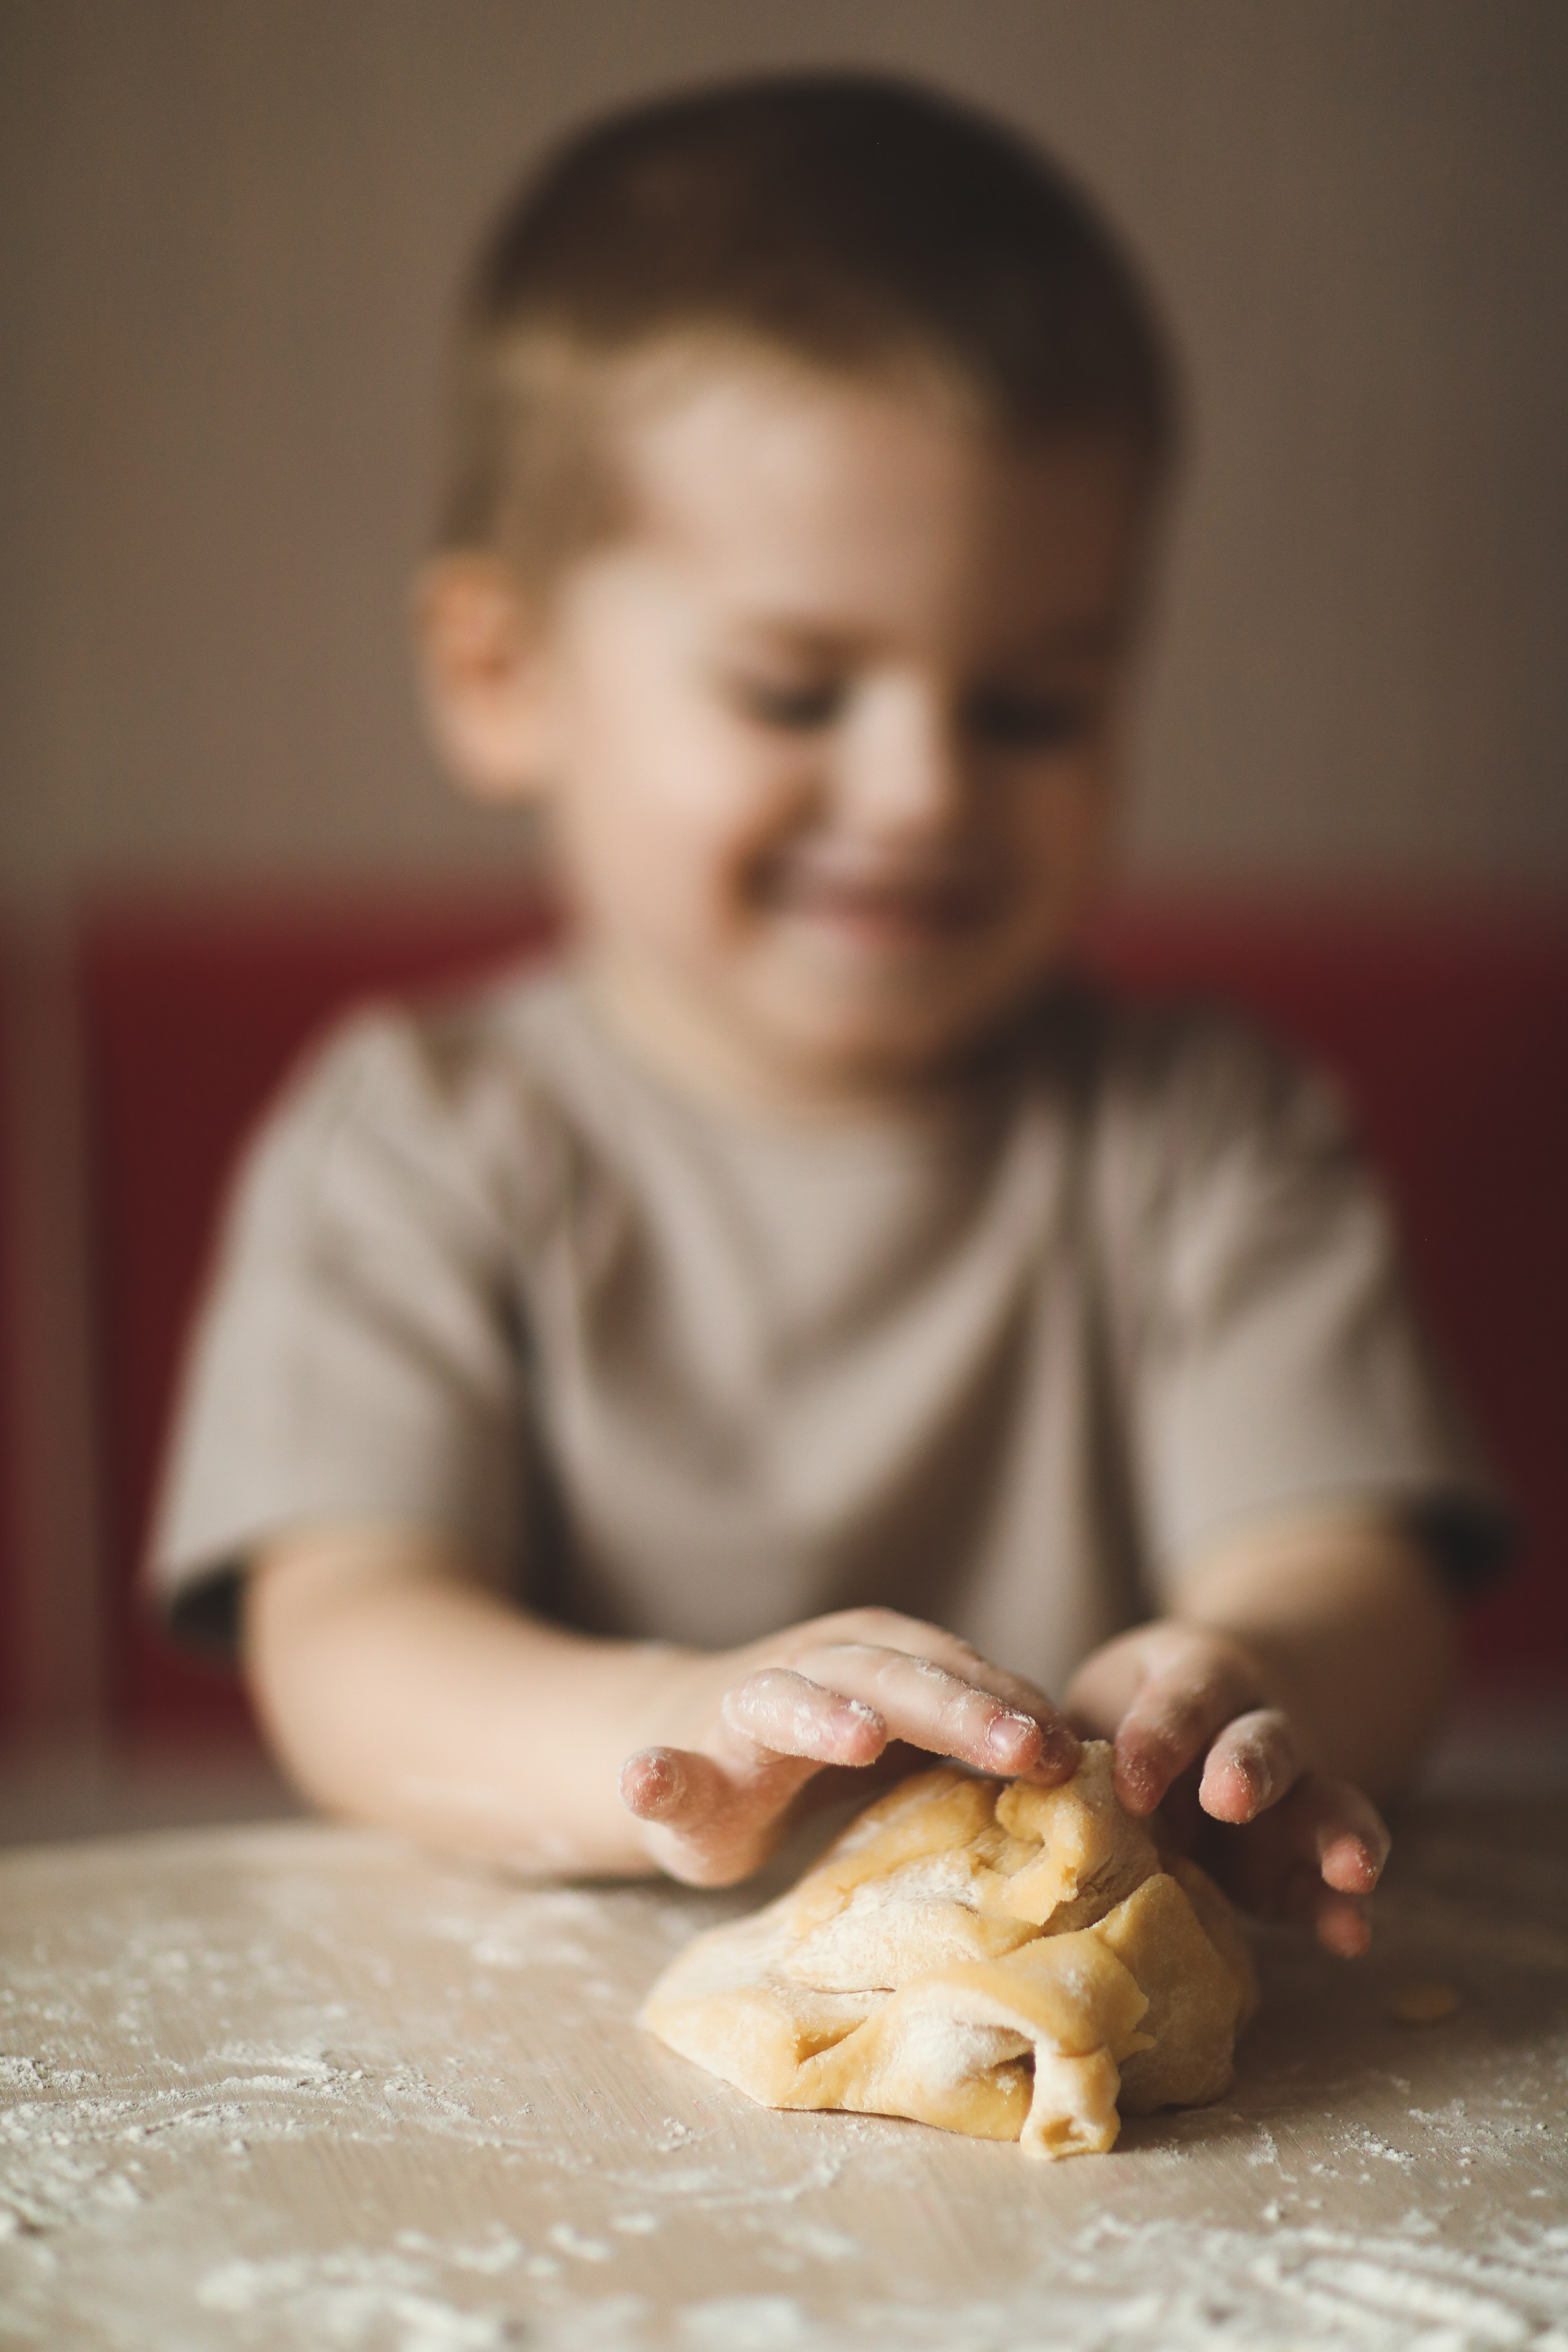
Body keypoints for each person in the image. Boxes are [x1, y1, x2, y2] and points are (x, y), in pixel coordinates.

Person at [152, 73, 1508, 1953]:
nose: (924, 792)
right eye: (797, 693)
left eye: (1030, 707)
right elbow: (348, 1639)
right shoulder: (419, 1132)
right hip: (544, 2101)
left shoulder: (1212, 1127)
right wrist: (648, 1736)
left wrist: (1242, 1689)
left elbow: (1363, 1580)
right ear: (504, 673)